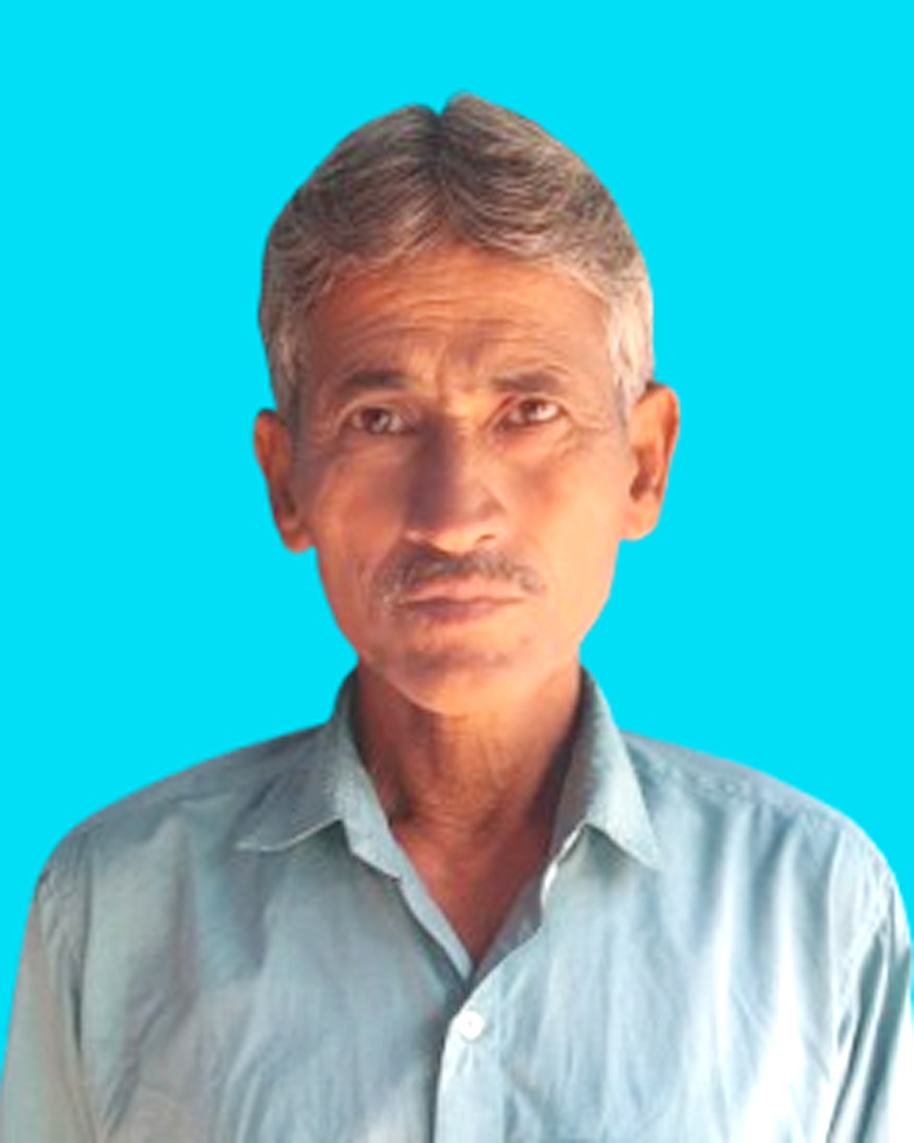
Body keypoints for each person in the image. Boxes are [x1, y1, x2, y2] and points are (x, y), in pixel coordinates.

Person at [1, 95, 911, 1142]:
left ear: (643, 464)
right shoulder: (112, 909)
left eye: (530, 412)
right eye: (379, 419)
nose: (452, 514)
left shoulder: (817, 908)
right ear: (286, 482)